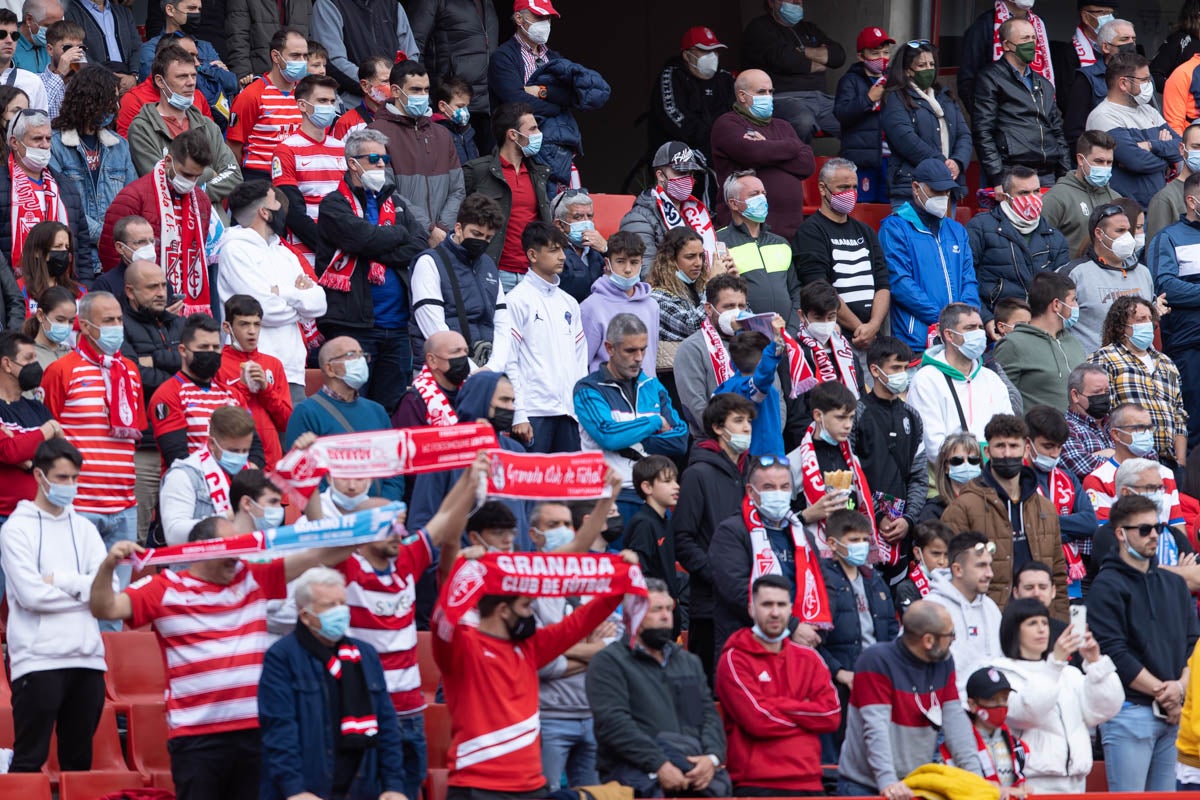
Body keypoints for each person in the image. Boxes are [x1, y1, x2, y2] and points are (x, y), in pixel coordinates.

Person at [87, 499, 370, 800]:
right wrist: (108, 566)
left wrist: (369, 529)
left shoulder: (252, 576)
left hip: (256, 730)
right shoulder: (164, 587)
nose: (236, 556)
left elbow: (319, 556)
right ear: (200, 549)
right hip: (197, 738)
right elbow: (104, 608)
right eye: (227, 549)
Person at [329, 456, 483, 800]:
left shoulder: (407, 559)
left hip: (410, 712)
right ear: (363, 531)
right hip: (362, 712)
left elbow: (443, 519)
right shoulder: (345, 567)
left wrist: (471, 476)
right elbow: (316, 523)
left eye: (400, 525)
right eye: (390, 526)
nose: (400, 532)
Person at [432, 542, 636, 799]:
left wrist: (619, 583)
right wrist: (463, 566)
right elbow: (444, 616)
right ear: (503, 611)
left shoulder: (530, 647)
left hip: (532, 787)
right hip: (477, 787)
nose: (532, 613)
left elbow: (578, 622)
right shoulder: (464, 646)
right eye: (527, 606)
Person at [0, 438, 105, 774]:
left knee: (79, 765)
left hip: (88, 659)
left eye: (75, 478)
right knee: (29, 761)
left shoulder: (86, 528)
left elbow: (109, 591)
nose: (70, 486)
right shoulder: (16, 530)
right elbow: (31, 596)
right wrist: (85, 593)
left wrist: (60, 580)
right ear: (40, 477)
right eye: (62, 478)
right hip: (38, 661)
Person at [258, 567, 409, 800]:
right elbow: (279, 730)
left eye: (343, 603)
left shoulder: (365, 654)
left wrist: (393, 785)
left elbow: (386, 724)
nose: (340, 611)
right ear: (305, 615)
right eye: (330, 605)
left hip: (360, 787)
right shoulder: (282, 657)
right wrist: (294, 790)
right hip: (308, 790)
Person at [1090, 493, 1200, 791]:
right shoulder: (1105, 586)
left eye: (1158, 528)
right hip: (1128, 712)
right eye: (1144, 529)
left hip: (1174, 713)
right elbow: (1114, 651)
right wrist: (1165, 691)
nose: (1153, 535)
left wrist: (1178, 689)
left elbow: (1193, 645)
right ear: (1120, 534)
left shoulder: (1175, 584)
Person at [315, 129, 428, 412]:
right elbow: (362, 239)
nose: (382, 165)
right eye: (375, 158)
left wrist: (377, 243)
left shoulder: (397, 203)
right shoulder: (334, 204)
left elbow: (418, 243)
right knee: (351, 405)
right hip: (355, 326)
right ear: (353, 163)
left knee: (391, 408)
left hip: (398, 328)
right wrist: (391, 236)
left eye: (385, 159)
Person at [41, 291, 144, 600]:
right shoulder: (62, 370)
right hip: (78, 506)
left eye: (119, 320)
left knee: (114, 602)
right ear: (84, 327)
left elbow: (133, 435)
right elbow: (47, 436)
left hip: (124, 507)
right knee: (74, 599)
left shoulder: (130, 371)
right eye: (107, 320)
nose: (116, 327)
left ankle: (109, 652)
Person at [586, 577, 729, 795]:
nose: (665, 616)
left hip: (695, 772)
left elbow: (708, 716)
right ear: (634, 616)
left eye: (668, 609)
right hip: (633, 776)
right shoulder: (609, 662)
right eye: (655, 610)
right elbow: (613, 724)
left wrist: (710, 758)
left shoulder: (688, 662)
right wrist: (659, 764)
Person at [835, 600, 983, 796]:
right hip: (865, 784)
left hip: (912, 782)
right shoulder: (876, 661)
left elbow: (955, 721)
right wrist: (887, 781)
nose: (953, 640)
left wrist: (976, 780)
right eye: (950, 635)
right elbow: (875, 727)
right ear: (928, 640)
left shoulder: (943, 661)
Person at [715, 574, 841, 797]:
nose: (775, 612)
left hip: (809, 780)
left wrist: (775, 705)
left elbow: (831, 714)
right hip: (756, 783)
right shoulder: (735, 658)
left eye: (781, 604)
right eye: (767, 604)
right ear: (752, 609)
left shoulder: (809, 658)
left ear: (790, 609)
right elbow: (757, 721)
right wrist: (805, 712)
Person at [992, 597, 1124, 793]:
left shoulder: (1068, 673)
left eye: (1044, 622)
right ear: (1014, 630)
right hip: (1030, 784)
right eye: (1032, 623)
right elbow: (1028, 714)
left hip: (1076, 783)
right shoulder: (1000, 673)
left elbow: (1103, 710)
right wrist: (1055, 664)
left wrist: (1095, 662)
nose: (1042, 629)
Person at [941, 415, 1068, 617]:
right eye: (1000, 446)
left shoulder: (1045, 508)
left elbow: (1058, 575)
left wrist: (1060, 624)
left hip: (1039, 622)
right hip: (989, 621)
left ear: (1026, 449)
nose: (1007, 453)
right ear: (986, 451)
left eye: (1013, 445)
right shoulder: (962, 508)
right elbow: (950, 574)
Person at [215, 179, 327, 402]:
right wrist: (299, 305)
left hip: (292, 370)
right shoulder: (234, 250)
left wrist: (283, 293)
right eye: (276, 202)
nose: (283, 209)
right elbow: (262, 310)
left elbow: (320, 303)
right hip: (251, 369)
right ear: (265, 213)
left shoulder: (284, 252)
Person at [710, 453, 827, 659]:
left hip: (804, 645)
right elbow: (736, 590)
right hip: (749, 648)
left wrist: (814, 627)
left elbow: (826, 583)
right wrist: (792, 626)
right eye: (769, 488)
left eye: (784, 487)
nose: (778, 494)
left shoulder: (803, 535)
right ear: (751, 491)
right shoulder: (731, 532)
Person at [672, 392, 754, 680]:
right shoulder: (698, 474)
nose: (746, 428)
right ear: (718, 427)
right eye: (739, 421)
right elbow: (682, 539)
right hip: (710, 607)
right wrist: (718, 574)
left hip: (750, 601)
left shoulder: (752, 472)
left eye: (749, 422)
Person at [487, 0, 612, 189]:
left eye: (548, 18)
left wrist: (541, 91)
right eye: (539, 17)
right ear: (519, 18)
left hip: (556, 149)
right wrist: (556, 105)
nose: (545, 23)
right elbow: (516, 101)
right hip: (521, 148)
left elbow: (570, 95)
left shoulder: (553, 57)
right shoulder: (503, 57)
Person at [574, 313, 687, 517]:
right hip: (611, 497)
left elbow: (680, 440)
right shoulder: (588, 389)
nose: (639, 358)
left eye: (643, 350)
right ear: (609, 348)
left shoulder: (652, 385)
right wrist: (654, 422)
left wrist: (630, 439)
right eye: (630, 350)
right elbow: (608, 435)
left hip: (654, 496)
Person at [101, 128, 223, 313]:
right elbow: (111, 254)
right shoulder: (134, 196)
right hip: (141, 307)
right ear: (168, 162)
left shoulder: (201, 201)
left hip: (187, 308)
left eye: (196, 176)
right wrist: (134, 306)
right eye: (186, 174)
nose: (191, 182)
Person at [494, 220, 586, 453]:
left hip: (568, 413)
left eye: (563, 249)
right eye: (553, 250)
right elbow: (509, 360)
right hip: (534, 413)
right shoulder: (516, 300)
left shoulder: (570, 303)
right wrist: (519, 414)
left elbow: (580, 361)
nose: (562, 257)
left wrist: (580, 409)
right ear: (532, 255)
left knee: (569, 484)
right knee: (533, 487)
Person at [818, 510, 899, 755]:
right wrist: (839, 672)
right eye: (854, 540)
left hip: (877, 679)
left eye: (865, 540)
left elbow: (891, 629)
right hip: (839, 683)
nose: (861, 546)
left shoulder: (874, 579)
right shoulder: (822, 579)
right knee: (841, 752)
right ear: (833, 543)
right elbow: (814, 637)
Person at [793, 157, 891, 361]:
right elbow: (820, 287)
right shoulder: (810, 232)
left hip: (871, 338)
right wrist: (859, 329)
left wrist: (873, 327)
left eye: (854, 187)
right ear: (822, 188)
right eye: (843, 187)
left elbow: (882, 282)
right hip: (838, 339)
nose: (851, 193)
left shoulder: (865, 231)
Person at [283, 336, 402, 501]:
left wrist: (385, 504)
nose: (361, 362)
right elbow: (301, 471)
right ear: (330, 369)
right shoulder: (306, 412)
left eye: (362, 355)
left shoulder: (377, 411)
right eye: (352, 355)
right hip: (333, 516)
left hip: (379, 514)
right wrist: (340, 508)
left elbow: (394, 467)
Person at [880, 160, 980, 356]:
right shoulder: (894, 227)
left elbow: (969, 279)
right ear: (916, 188)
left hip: (959, 338)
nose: (943, 197)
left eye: (947, 192)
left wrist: (964, 319)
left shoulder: (957, 230)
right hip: (916, 339)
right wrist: (945, 319)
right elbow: (900, 282)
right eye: (936, 191)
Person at [48, 64, 136, 271]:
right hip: (78, 259)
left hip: (115, 258)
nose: (117, 107)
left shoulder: (119, 146)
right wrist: (105, 237)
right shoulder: (54, 145)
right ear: (88, 100)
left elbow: (131, 202)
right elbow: (60, 203)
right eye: (109, 100)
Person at [118, 260, 184, 533]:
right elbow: (134, 376)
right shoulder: (117, 326)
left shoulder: (180, 324)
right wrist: (180, 374)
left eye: (163, 285)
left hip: (183, 444)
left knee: (181, 531)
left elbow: (204, 369)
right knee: (138, 534)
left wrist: (155, 359)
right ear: (130, 292)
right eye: (152, 287)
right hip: (144, 447)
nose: (161, 292)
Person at [368, 58, 464, 246]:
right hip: (402, 239)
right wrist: (428, 229)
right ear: (395, 91)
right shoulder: (374, 133)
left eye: (426, 90)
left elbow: (458, 190)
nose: (423, 95)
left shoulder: (442, 134)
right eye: (415, 90)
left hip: (443, 239)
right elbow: (385, 189)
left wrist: (443, 228)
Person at [851, 335, 927, 572]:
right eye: (895, 368)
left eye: (905, 368)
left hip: (901, 530)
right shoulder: (856, 413)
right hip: (863, 526)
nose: (901, 374)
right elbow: (849, 470)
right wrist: (877, 513)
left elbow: (918, 476)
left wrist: (908, 519)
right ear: (874, 370)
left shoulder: (912, 417)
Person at [711, 69, 814, 241]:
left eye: (770, 92)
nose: (768, 97)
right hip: (745, 234)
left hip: (790, 232)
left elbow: (807, 165)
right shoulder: (727, 124)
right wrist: (792, 146)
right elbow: (754, 154)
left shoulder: (783, 126)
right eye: (761, 92)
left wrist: (768, 145)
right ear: (742, 96)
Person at [1088, 296, 1187, 469]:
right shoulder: (1103, 359)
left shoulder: (1166, 363)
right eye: (1141, 319)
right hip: (1126, 460)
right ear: (1121, 327)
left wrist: (1181, 462)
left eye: (1150, 319)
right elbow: (1097, 413)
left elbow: (1179, 415)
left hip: (1168, 462)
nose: (1148, 324)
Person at [462, 103, 552, 290]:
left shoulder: (539, 174)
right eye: (533, 129)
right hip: (493, 273)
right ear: (513, 135)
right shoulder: (477, 171)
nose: (538, 134)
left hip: (533, 275)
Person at [408, 191, 505, 364]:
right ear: (459, 228)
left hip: (486, 366)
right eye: (476, 234)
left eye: (488, 237)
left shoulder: (488, 265)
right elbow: (433, 327)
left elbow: (502, 322)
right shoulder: (429, 262)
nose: (482, 241)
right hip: (443, 368)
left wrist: (493, 366)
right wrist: (470, 369)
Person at [973, 18, 1070, 192]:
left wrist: (1065, 176)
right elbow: (983, 131)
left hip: (1047, 174)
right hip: (1012, 172)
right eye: (1025, 39)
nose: (1032, 43)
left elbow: (1057, 132)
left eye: (1034, 38)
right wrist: (996, 177)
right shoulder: (991, 78)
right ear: (1007, 45)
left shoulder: (1043, 84)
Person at [1, 107, 95, 284]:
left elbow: (82, 247)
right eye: (37, 139)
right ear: (14, 142)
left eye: (48, 139)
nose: (44, 144)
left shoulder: (66, 187)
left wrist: (84, 288)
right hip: (13, 293)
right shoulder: (2, 184)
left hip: (64, 289)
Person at [967, 167, 1070, 327]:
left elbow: (1062, 291)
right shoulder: (980, 227)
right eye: (1023, 193)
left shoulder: (1055, 237)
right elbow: (967, 281)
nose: (1032, 198)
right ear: (1006, 197)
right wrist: (987, 320)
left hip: (1040, 329)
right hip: (997, 326)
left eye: (1036, 191)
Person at [906, 303, 1013, 456]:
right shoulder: (926, 380)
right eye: (970, 328)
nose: (979, 334)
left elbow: (1009, 431)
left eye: (980, 328)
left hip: (992, 474)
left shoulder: (992, 379)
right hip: (948, 475)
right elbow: (933, 446)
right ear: (949, 335)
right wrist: (982, 457)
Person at [149, 312, 246, 470]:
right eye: (203, 347)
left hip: (232, 487)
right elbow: (176, 455)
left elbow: (253, 444)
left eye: (215, 347)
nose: (210, 352)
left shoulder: (233, 395)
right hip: (190, 487)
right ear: (182, 350)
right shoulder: (168, 394)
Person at [880, 41, 972, 205]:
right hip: (910, 187)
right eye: (922, 65)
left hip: (948, 186)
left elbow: (964, 134)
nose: (929, 69)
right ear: (908, 70)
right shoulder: (896, 97)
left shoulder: (945, 96)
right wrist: (941, 162)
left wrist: (957, 162)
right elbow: (905, 139)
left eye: (932, 64)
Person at [1086, 52, 1182, 208]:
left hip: (1157, 207)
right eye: (1144, 80)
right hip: (1127, 211)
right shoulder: (1103, 116)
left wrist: (1152, 146)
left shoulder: (1149, 111)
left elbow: (1182, 148)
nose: (1149, 84)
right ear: (1123, 83)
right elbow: (1137, 161)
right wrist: (1168, 159)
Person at [270, 73, 346, 268]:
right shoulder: (286, 149)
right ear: (302, 105)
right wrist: (327, 247)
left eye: (331, 101)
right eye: (322, 101)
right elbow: (293, 211)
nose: (329, 107)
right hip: (307, 254)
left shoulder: (342, 148)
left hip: (346, 249)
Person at [740, 0, 843, 143]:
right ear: (771, 2)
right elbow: (785, 60)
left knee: (858, 119)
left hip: (821, 99)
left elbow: (838, 56)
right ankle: (795, 164)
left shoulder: (809, 28)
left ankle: (848, 165)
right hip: (784, 99)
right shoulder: (759, 27)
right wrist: (819, 57)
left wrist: (800, 51)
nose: (797, 1)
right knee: (803, 121)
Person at [1061, 203, 1157, 354]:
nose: (1128, 237)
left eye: (1128, 230)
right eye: (1120, 231)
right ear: (1099, 233)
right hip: (1093, 369)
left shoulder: (1143, 273)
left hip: (1138, 369)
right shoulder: (1075, 274)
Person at [923, 530, 1003, 704]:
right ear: (958, 570)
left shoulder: (990, 607)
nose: (990, 573)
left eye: (990, 565)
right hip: (946, 714)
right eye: (981, 566)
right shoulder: (930, 608)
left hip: (991, 711)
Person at [1023, 404, 1098, 590]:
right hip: (1032, 574)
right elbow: (1023, 524)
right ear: (1027, 443)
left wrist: (1044, 524)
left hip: (1071, 576)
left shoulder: (1068, 477)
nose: (1055, 454)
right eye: (1048, 446)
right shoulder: (1016, 479)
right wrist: (1068, 529)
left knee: (1077, 620)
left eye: (1059, 447)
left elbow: (1089, 522)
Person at [156, 404, 254, 544]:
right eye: (233, 451)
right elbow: (174, 535)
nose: (240, 457)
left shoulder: (248, 473)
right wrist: (228, 517)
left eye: (245, 451)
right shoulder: (182, 475)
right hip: (195, 564)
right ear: (212, 444)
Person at [1150, 171, 1200, 448]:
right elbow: (1167, 288)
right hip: (1189, 345)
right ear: (1192, 201)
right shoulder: (1168, 238)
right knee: (1193, 424)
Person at [408, 0, 498, 150]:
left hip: (486, 104)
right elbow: (414, 46)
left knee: (485, 166)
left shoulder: (487, 3)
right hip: (451, 101)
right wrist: (425, 95)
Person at [216, 295, 291, 470]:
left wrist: (266, 389)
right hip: (234, 461)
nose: (252, 331)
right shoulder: (217, 363)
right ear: (227, 327)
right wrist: (243, 386)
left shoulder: (273, 364)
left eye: (256, 324)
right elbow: (218, 418)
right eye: (244, 324)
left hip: (271, 461)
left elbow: (286, 421)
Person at [619, 140, 718, 271]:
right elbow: (646, 275)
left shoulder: (696, 212)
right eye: (681, 173)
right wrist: (705, 281)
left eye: (691, 173)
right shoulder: (638, 218)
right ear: (660, 176)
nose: (688, 179)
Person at [992, 272, 1084, 411]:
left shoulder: (1072, 342)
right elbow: (1002, 401)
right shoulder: (1013, 344)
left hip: (1078, 431)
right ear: (1057, 305)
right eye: (1073, 300)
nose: (1076, 305)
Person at [718, 170, 797, 328]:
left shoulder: (781, 243)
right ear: (733, 204)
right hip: (745, 339)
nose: (762, 198)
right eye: (754, 194)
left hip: (786, 336)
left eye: (763, 193)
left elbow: (795, 292)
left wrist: (793, 331)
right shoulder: (719, 242)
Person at [226, 27, 305, 182]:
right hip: (259, 178)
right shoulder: (252, 95)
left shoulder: (306, 92)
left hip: (297, 177)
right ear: (276, 56)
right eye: (295, 56)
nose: (302, 62)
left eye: (305, 56)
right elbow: (233, 147)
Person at [647, 25, 735, 161]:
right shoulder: (671, 76)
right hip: (681, 156)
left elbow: (736, 112)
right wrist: (710, 138)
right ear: (687, 55)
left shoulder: (726, 78)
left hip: (723, 151)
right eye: (705, 51)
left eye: (715, 51)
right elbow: (673, 116)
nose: (712, 56)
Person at [958, 0, 1055, 116]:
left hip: (1038, 122)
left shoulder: (1038, 25)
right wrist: (985, 120)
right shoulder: (984, 25)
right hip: (999, 123)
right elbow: (967, 81)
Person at [0, 331, 59, 524]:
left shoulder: (37, 408)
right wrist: (49, 429)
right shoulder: (46, 421)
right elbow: (10, 451)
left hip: (41, 516)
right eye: (28, 358)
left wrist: (27, 459)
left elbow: (60, 454)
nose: (36, 365)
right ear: (7, 364)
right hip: (5, 517)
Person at [580, 230, 656, 374]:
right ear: (608, 263)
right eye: (620, 261)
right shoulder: (591, 307)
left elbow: (651, 355)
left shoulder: (652, 305)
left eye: (634, 262)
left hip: (646, 391)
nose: (628, 269)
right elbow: (582, 362)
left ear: (642, 263)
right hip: (606, 392)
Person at [944, 667, 1030, 794]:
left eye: (1004, 699)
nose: (1000, 705)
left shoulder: (1019, 747)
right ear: (972, 705)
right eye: (992, 699)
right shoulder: (958, 746)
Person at [313, 0, 419, 101]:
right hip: (352, 104)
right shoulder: (328, 3)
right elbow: (333, 60)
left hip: (396, 102)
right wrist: (379, 85)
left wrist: (393, 85)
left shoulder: (393, 5)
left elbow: (410, 56)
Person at [835, 26, 895, 203]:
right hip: (861, 161)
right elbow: (842, 113)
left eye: (885, 53)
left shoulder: (893, 81)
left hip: (890, 160)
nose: (882, 58)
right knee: (863, 209)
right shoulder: (850, 81)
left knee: (887, 210)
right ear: (861, 56)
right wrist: (869, 99)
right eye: (875, 53)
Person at [116, 35, 215, 139]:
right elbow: (129, 149)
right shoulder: (133, 100)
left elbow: (213, 141)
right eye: (188, 56)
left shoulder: (197, 96)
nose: (197, 63)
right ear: (165, 57)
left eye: (196, 57)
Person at [1041, 130, 1121, 255]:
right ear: (1080, 159)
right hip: (1067, 272)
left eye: (1109, 162)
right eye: (1099, 161)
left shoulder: (1116, 198)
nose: (1104, 167)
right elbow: (1041, 244)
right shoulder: (1056, 198)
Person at [1064, 19, 1137, 147]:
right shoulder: (1087, 78)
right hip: (1103, 155)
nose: (1131, 43)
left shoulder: (1143, 77)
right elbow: (1074, 131)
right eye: (1124, 39)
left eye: (1133, 39)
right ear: (1106, 47)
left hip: (1140, 151)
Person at [718, 322, 786, 458]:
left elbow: (743, 355)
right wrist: (778, 338)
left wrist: (739, 332)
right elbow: (764, 373)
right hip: (762, 464)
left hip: (740, 459)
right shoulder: (754, 389)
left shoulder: (728, 385)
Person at [624, 455, 682, 599]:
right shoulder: (643, 524)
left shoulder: (665, 521)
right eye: (668, 481)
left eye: (675, 480)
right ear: (647, 487)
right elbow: (640, 572)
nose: (676, 486)